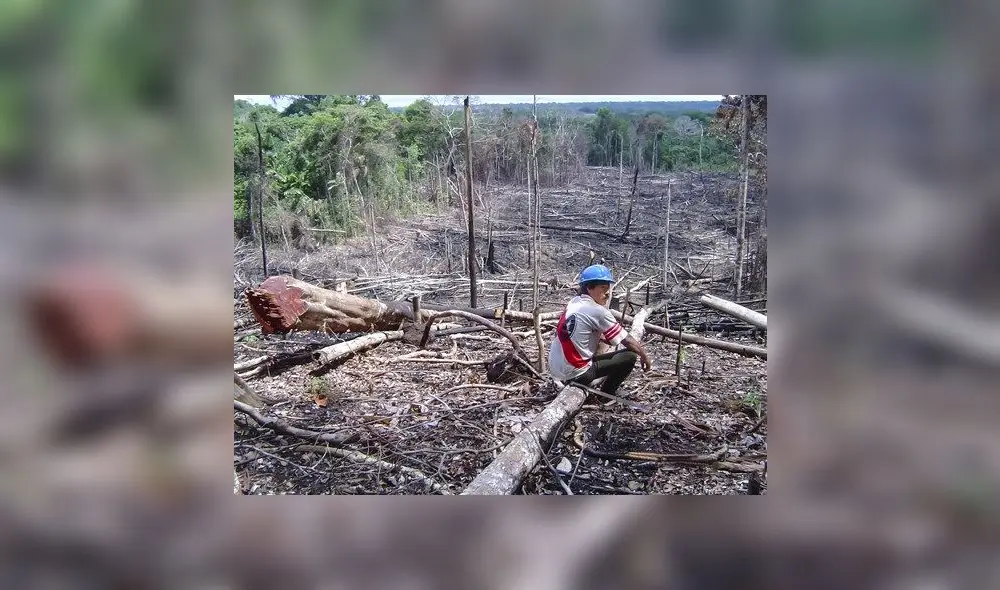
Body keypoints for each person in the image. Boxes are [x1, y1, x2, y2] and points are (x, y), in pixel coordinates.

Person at [548, 264, 652, 396]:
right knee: (630, 356)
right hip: (577, 375)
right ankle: (607, 395)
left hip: (557, 372)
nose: (608, 292)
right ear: (589, 288)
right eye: (603, 288)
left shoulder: (574, 303)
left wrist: (602, 337)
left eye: (608, 288)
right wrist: (644, 356)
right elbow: (627, 340)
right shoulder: (598, 311)